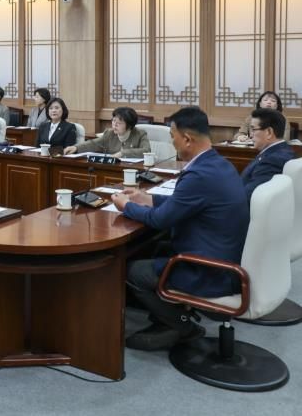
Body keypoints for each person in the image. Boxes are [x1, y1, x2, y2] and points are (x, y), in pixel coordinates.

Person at [111, 106, 249, 351]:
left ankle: (182, 325)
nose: (171, 142)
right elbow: (186, 203)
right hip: (224, 255)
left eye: (172, 137)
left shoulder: (199, 175)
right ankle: (165, 317)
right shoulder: (218, 164)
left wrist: (126, 206)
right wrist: (146, 198)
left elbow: (160, 220)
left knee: (132, 270)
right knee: (153, 248)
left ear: (186, 139)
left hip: (210, 270)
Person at [240, 108, 295, 202]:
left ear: (269, 132)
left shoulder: (272, 161)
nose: (251, 135)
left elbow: (250, 196)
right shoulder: (283, 151)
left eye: (253, 129)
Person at [63, 106, 150, 158]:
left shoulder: (140, 134)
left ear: (129, 125)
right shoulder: (109, 133)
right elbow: (93, 144)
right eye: (113, 121)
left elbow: (146, 151)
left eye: (119, 123)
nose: (115, 125)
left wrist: (123, 153)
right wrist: (76, 148)